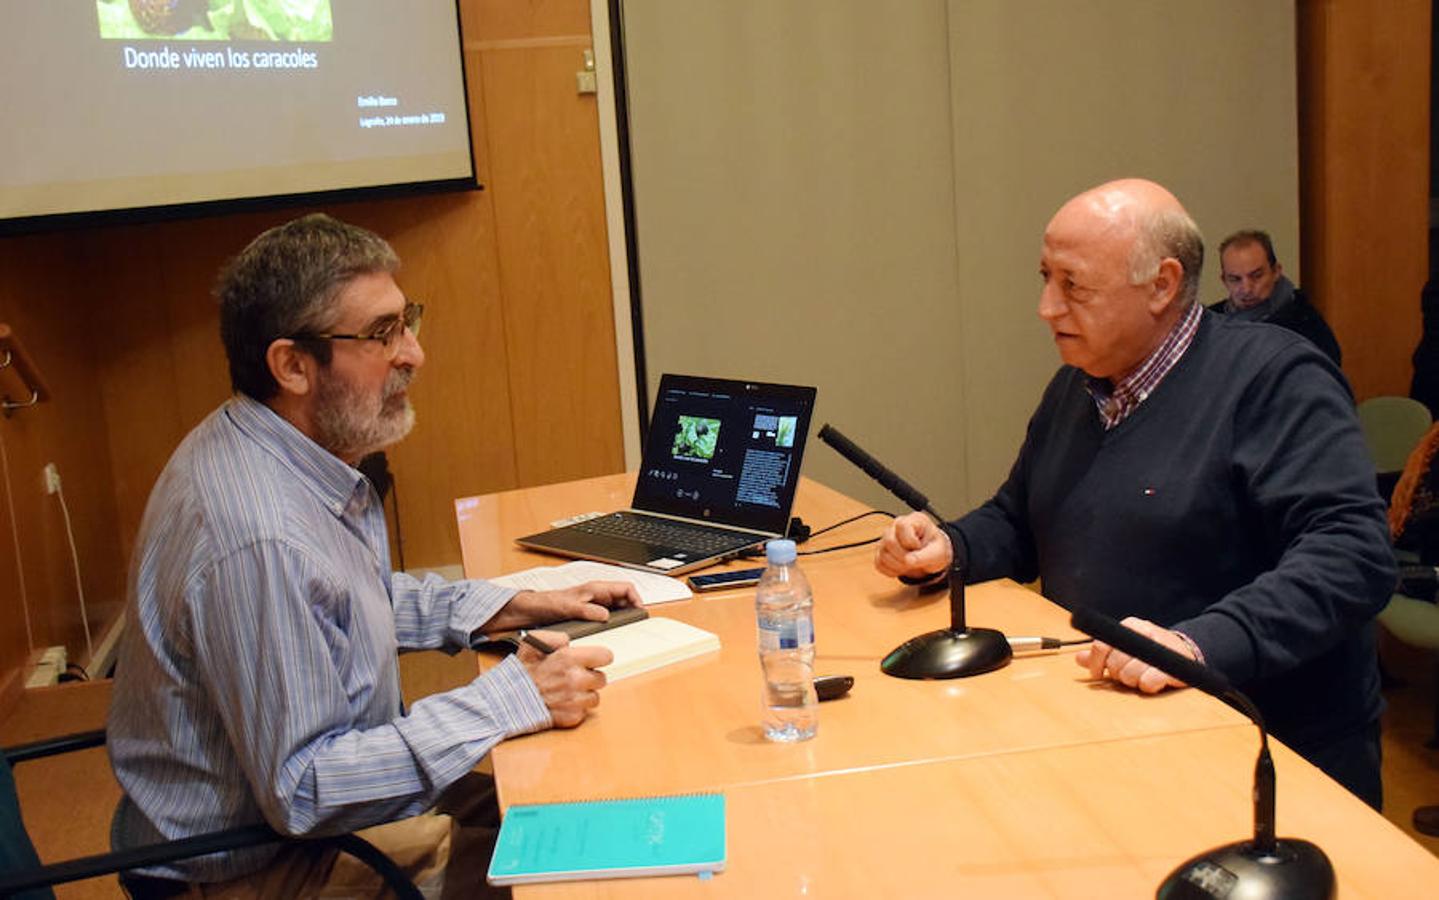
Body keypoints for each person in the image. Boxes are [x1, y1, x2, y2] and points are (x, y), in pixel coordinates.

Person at [106, 213, 641, 897]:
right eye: (381, 334)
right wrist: (507, 699)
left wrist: (507, 604)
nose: (413, 354)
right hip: (259, 866)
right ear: (292, 365)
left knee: (583, 796)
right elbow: (306, 790)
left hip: (298, 822)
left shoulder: (275, 451)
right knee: (591, 869)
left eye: (406, 320)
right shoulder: (258, 537)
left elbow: (343, 599)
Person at [875, 179, 1394, 809]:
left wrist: (1197, 645)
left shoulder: (1277, 377)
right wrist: (951, 546)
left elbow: (1352, 557)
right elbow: (1021, 517)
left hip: (1264, 750)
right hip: (1110, 729)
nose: (1046, 307)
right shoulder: (1078, 386)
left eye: (1074, 285)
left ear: (1163, 284)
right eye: (1045, 278)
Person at [1205, 228, 1342, 365]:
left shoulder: (1305, 323)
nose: (1246, 289)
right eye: (1235, 279)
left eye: (1256, 276)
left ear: (1276, 272)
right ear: (1224, 280)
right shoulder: (1211, 323)